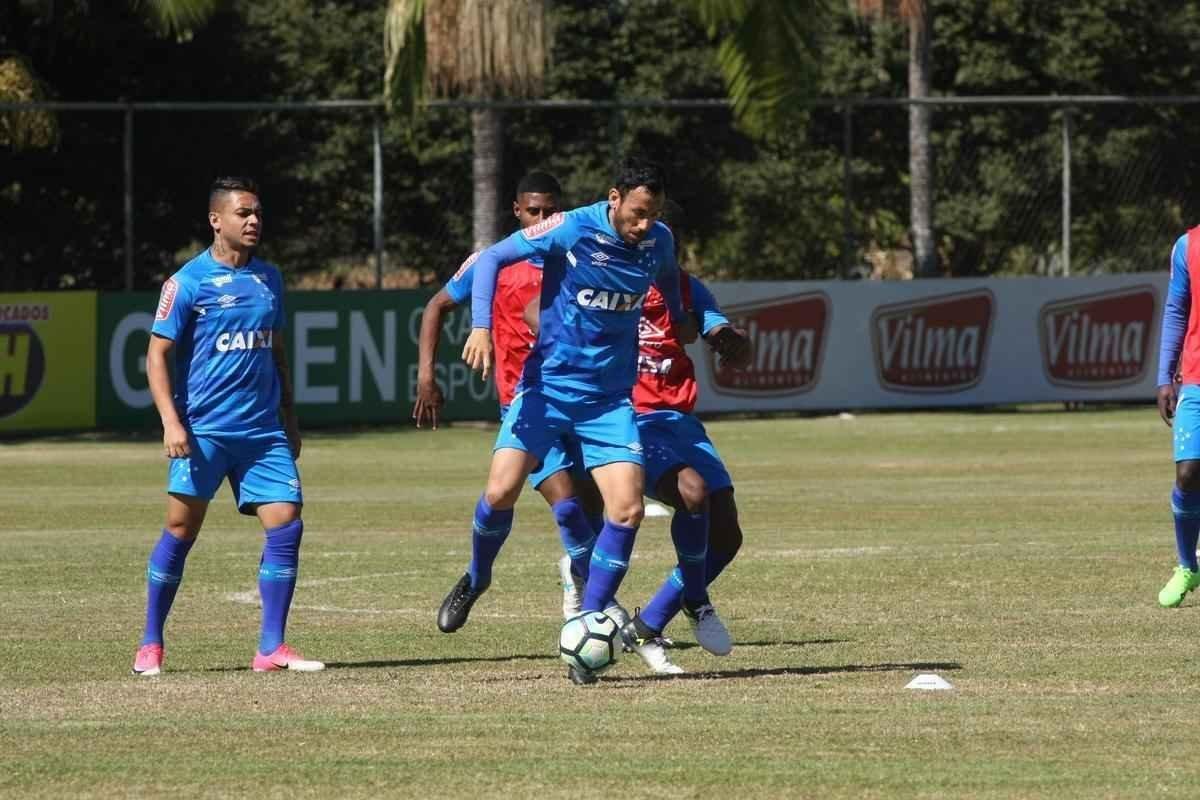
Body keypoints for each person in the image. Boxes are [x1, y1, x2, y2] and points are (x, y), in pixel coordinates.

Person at [455, 156, 694, 683]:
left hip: (609, 402)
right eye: (635, 213)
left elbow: (676, 281)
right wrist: (479, 327)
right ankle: (477, 576)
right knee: (499, 494)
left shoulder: (659, 240)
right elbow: (493, 257)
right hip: (546, 391)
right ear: (614, 198)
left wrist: (689, 318)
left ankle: (590, 617)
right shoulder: (570, 227)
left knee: (627, 510)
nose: (643, 225)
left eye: (651, 215)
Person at [526, 213, 753, 675]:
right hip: (628, 418)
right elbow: (536, 309)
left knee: (727, 535)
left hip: (682, 423)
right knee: (690, 493)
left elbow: (715, 328)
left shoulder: (685, 289)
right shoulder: (601, 275)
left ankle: (649, 624)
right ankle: (680, 598)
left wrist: (731, 341)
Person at [131, 177, 323, 675]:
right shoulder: (187, 282)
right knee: (180, 528)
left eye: (258, 212)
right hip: (204, 431)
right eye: (243, 213)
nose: (254, 220)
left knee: (287, 524)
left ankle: (270, 647)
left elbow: (278, 353)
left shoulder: (270, 279)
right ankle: (150, 643)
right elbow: (157, 355)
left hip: (263, 433)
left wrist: (290, 418)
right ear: (217, 220)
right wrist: (171, 423)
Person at [412, 172, 618, 631]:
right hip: (528, 403)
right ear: (517, 211)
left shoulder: (579, 252)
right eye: (533, 211)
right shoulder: (494, 262)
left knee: (593, 512)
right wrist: (427, 375)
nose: (542, 219)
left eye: (549, 211)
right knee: (563, 506)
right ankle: (482, 578)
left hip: (583, 400)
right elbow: (436, 306)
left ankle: (582, 588)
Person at [1157, 226, 1200, 607]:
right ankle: (1188, 565)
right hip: (1197, 379)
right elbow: (1175, 310)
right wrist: (1163, 377)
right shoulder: (1188, 245)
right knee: (1187, 472)